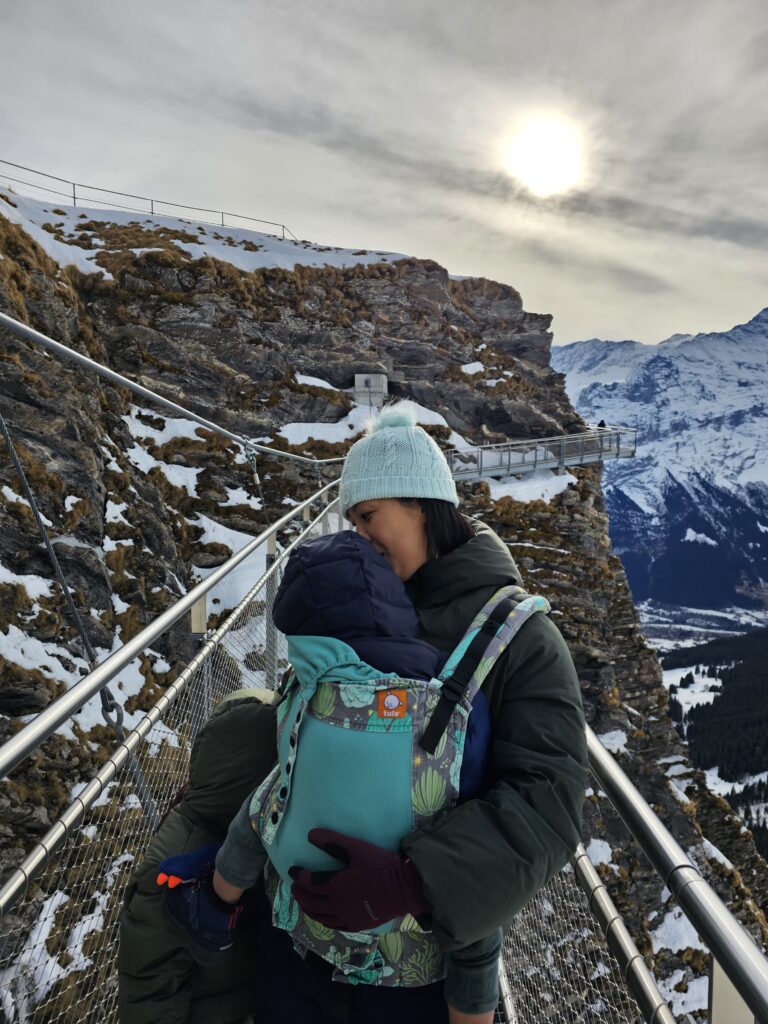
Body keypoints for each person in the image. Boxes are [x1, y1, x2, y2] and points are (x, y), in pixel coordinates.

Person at [162, 528, 506, 1023]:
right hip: (408, 968)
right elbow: (474, 832)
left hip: (300, 939)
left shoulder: (306, 696)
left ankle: (215, 907)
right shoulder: (456, 703)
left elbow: (275, 805)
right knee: (471, 886)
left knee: (264, 807)